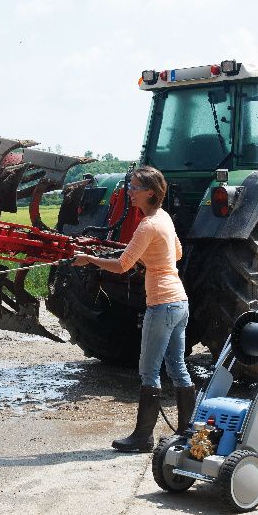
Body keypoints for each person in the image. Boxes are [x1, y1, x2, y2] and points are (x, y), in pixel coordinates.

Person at [73, 165, 196, 452]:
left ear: (150, 192)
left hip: (162, 305)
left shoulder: (147, 224)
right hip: (180, 302)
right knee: (177, 366)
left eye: (135, 187)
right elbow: (176, 253)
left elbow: (122, 265)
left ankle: (143, 437)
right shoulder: (163, 218)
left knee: (149, 371)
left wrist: (90, 260)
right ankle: (187, 431)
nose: (130, 191)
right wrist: (149, 259)